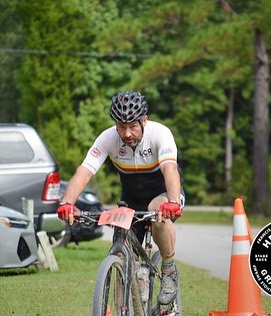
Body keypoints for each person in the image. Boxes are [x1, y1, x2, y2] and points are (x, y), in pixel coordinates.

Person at [57, 91, 184, 305]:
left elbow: (170, 168)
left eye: (133, 126)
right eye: (121, 126)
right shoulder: (108, 138)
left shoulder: (160, 133)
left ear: (145, 119)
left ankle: (169, 269)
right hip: (131, 200)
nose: (126, 134)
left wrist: (172, 201)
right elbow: (85, 171)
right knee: (121, 258)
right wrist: (66, 203)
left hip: (163, 196)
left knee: (158, 211)